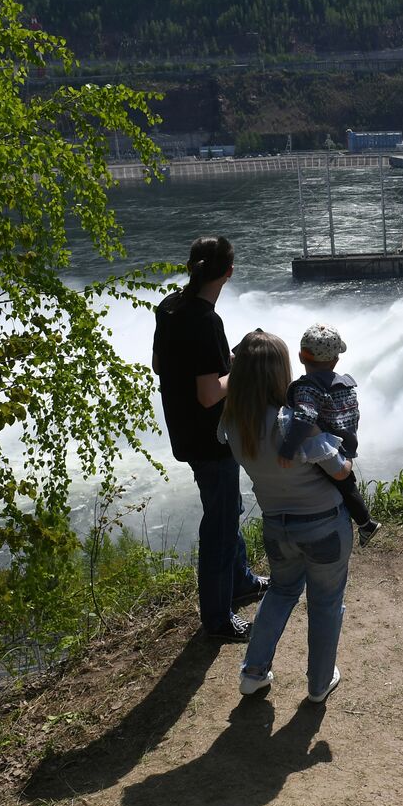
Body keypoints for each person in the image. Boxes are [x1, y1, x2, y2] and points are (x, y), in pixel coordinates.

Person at [222, 329, 352, 702]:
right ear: (281, 371)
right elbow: (339, 469)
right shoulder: (291, 420)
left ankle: (253, 672)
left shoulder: (233, 423)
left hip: (277, 527)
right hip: (323, 524)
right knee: (326, 603)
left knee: (280, 592)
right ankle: (318, 683)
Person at [152, 237, 268, 643]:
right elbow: (208, 394)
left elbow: (160, 365)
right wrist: (246, 367)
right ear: (228, 273)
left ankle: (241, 582)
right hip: (210, 436)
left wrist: (226, 360)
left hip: (184, 428)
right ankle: (218, 619)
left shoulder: (169, 306)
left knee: (227, 508)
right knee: (219, 525)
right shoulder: (206, 321)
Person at [276, 323, 379, 545]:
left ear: (301, 357)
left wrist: (288, 447)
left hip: (330, 445)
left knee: (338, 482)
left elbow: (305, 418)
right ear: (336, 360)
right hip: (347, 440)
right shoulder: (346, 385)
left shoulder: (307, 388)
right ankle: (366, 524)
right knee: (347, 484)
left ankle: (365, 524)